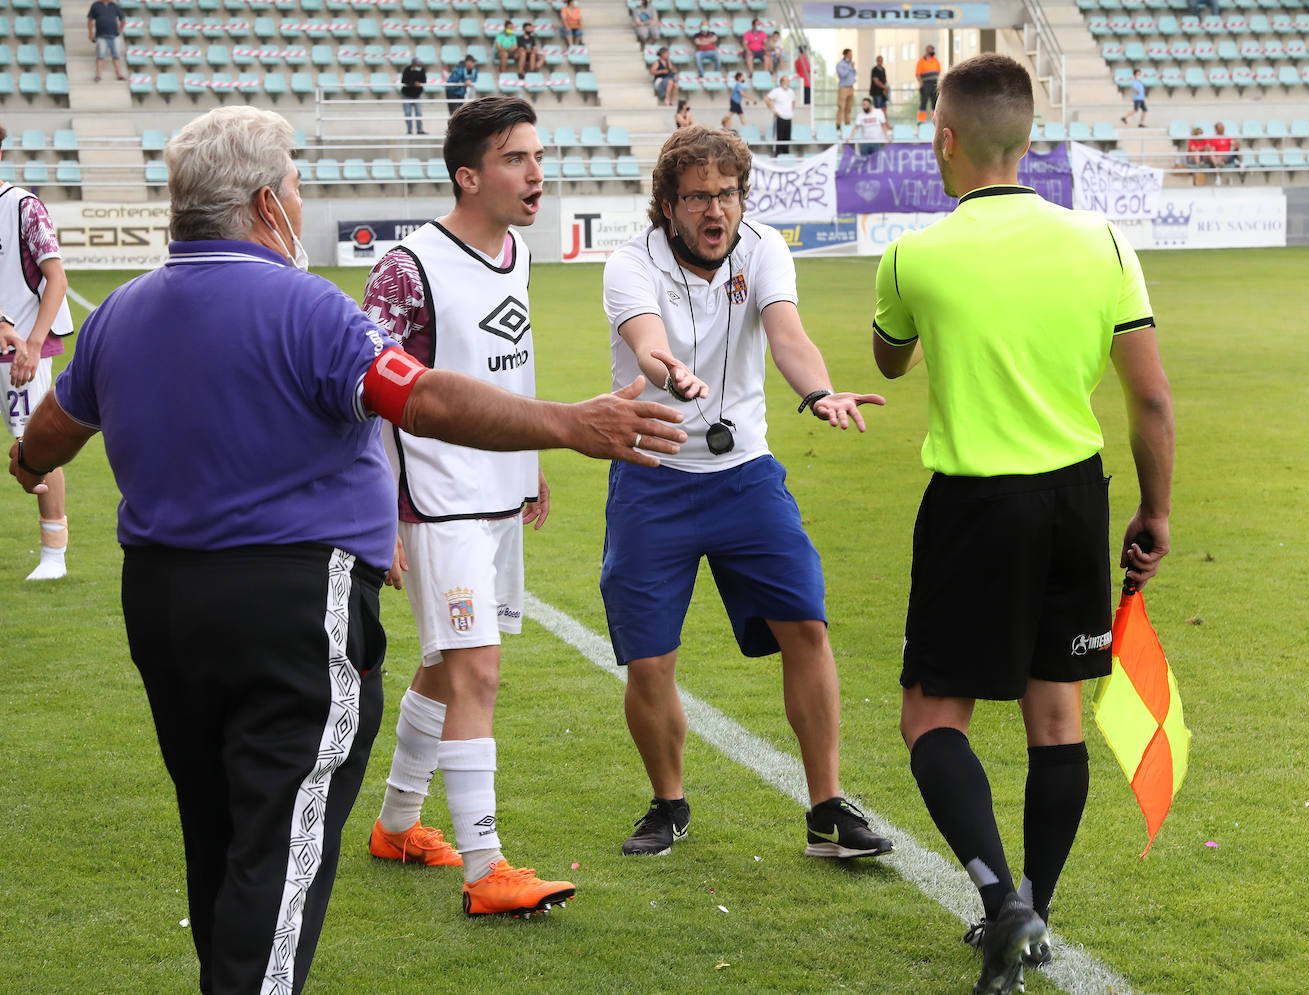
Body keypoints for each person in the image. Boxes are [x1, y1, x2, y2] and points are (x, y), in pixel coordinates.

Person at [6, 104, 686, 995]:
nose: (298, 195)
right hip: (291, 604)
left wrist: (32, 455)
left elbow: (43, 446)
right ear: (263, 202)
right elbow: (423, 397)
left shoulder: (122, 312)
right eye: (291, 182)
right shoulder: (308, 308)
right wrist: (567, 424)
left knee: (217, 824)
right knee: (280, 842)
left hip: (163, 603)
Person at [869, 54, 1173, 995]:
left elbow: (889, 359)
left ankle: (1003, 899)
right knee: (1056, 716)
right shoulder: (1104, 242)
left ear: (943, 140)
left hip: (973, 504)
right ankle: (1034, 905)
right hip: (1076, 498)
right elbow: (1152, 400)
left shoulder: (911, 253)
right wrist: (1154, 511)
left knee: (932, 714)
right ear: (1029, 139)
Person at [599, 125, 894, 862]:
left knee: (808, 627)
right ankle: (668, 804)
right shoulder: (629, 262)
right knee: (650, 660)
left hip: (746, 477)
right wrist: (671, 373)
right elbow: (645, 341)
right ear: (668, 205)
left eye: (727, 194)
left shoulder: (764, 247)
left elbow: (788, 333)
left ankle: (826, 809)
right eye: (698, 196)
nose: (715, 210)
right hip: (652, 475)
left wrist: (819, 391)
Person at [361, 96, 579, 917]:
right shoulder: (406, 268)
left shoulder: (516, 251)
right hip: (437, 499)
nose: (537, 173)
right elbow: (370, 392)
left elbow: (503, 369)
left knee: (446, 664)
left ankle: (396, 824)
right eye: (517, 159)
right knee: (476, 669)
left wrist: (529, 463)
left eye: (537, 155)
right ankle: (487, 867)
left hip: (496, 494)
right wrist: (381, 511)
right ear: (469, 175)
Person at [0, 124, 76, 582]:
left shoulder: (23, 207)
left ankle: (53, 556)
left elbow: (57, 279)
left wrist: (30, 344)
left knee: (35, 448)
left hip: (23, 354)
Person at [87, 0, 127, 82]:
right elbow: (90, 20)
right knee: (100, 56)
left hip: (114, 35)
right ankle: (98, 75)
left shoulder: (114, 5)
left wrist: (119, 30)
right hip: (101, 36)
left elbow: (123, 19)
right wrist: (90, 33)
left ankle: (119, 74)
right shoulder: (96, 5)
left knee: (116, 56)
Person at [765, 78, 795, 156]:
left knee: (787, 138)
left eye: (789, 81)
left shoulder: (791, 92)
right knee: (779, 138)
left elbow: (793, 101)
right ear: (782, 82)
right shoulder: (776, 91)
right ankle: (777, 155)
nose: (788, 83)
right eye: (787, 81)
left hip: (788, 118)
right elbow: (767, 99)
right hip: (779, 117)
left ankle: (786, 155)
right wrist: (773, 110)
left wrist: (791, 111)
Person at [400, 56, 427, 134]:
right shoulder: (407, 69)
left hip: (417, 95)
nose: (419, 66)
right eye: (417, 65)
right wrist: (413, 83)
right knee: (408, 113)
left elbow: (424, 80)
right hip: (406, 94)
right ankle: (409, 130)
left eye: (419, 65)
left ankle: (420, 130)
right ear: (413, 64)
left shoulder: (422, 70)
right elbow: (404, 80)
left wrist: (419, 83)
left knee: (419, 113)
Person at [916, 44, 940, 123]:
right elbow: (917, 74)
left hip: (934, 84)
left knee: (935, 102)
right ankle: (921, 120)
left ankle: (935, 120)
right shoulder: (921, 61)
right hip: (925, 84)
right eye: (931, 50)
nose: (933, 52)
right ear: (927, 51)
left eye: (933, 50)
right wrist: (921, 83)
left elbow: (938, 71)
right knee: (924, 102)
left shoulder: (936, 60)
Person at [836, 48, 857, 127]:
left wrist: (852, 68)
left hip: (851, 88)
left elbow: (854, 74)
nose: (851, 56)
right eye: (850, 54)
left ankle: (847, 124)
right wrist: (850, 67)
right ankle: (838, 124)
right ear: (845, 55)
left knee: (849, 107)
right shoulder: (840, 64)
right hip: (843, 88)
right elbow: (842, 75)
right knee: (841, 106)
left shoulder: (850, 64)